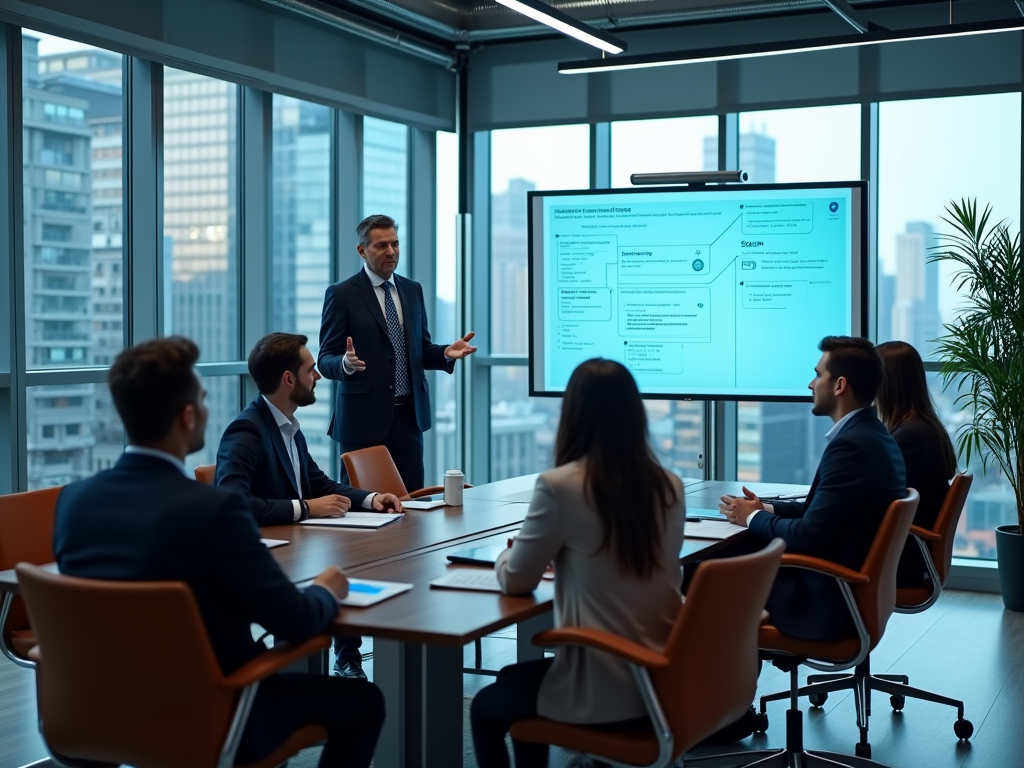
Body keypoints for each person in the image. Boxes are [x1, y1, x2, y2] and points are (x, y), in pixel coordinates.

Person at [53, 337, 384, 768]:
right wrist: (326, 588)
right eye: (204, 401)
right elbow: (295, 622)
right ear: (188, 417)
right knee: (364, 702)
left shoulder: (72, 503)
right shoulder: (213, 511)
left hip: (96, 712)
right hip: (216, 709)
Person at [470, 359, 686, 768]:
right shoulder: (668, 484)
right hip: (664, 675)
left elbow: (517, 581)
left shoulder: (560, 485)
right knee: (511, 679)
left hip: (607, 685)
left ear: (572, 414)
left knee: (485, 708)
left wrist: (505, 554)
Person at [216, 331, 403, 679]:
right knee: (340, 566)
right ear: (289, 379)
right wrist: (305, 508)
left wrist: (370, 498)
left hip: (301, 547)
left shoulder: (289, 429)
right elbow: (232, 503)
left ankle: (347, 657)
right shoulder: (247, 430)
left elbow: (318, 483)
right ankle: (342, 661)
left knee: (352, 559)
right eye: (311, 370)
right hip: (273, 559)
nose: (318, 376)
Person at [720, 336, 906, 642]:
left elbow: (809, 536)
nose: (810, 384)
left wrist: (751, 519)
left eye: (818, 374)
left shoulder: (851, 446)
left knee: (703, 575)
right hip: (849, 588)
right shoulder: (873, 434)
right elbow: (825, 511)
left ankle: (702, 684)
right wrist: (763, 509)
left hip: (824, 599)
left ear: (839, 386)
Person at [318, 214, 477, 492]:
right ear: (361, 250)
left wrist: (445, 354)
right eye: (381, 246)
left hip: (409, 419)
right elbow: (325, 358)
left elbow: (420, 350)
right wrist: (345, 363)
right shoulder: (341, 294)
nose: (391, 252)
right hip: (363, 420)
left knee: (412, 501)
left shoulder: (412, 290)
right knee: (364, 504)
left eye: (395, 244)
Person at [876, 340, 959, 587]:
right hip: (908, 553)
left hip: (901, 561)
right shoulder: (924, 427)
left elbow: (879, 501)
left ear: (886, 382)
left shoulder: (909, 436)